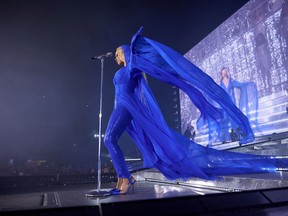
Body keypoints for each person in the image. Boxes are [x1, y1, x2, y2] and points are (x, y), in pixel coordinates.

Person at [104, 27, 288, 195]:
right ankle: (125, 177)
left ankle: (125, 178)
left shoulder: (132, 67)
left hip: (125, 106)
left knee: (109, 139)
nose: (115, 57)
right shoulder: (125, 70)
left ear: (125, 54)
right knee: (110, 139)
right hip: (122, 106)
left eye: (118, 53)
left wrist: (136, 45)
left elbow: (158, 65)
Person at [219, 67, 258, 142]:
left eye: (225, 72)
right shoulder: (220, 83)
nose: (223, 74)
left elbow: (240, 85)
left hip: (231, 103)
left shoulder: (231, 81)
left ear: (227, 73)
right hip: (224, 104)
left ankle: (238, 135)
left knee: (234, 119)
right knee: (225, 120)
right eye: (222, 73)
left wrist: (248, 84)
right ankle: (224, 138)